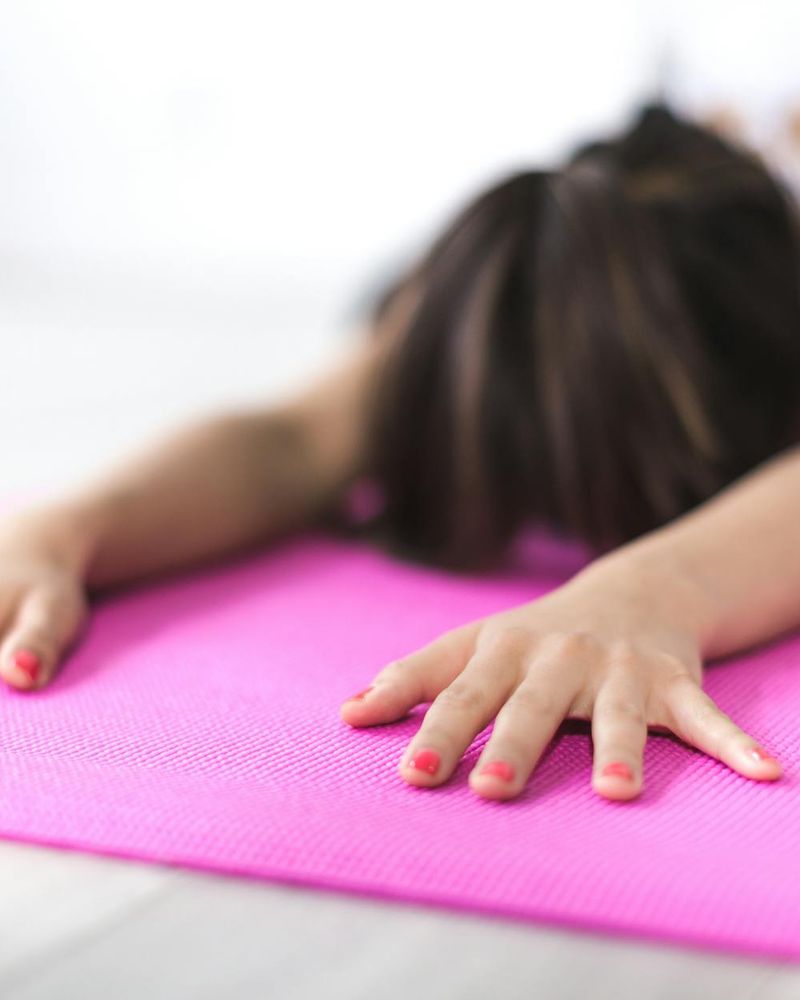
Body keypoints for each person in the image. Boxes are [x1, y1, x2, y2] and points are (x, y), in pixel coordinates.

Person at [1, 102, 798, 804]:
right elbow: (295, 438)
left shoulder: (747, 304)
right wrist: (68, 528)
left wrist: (649, 592)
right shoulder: (482, 298)